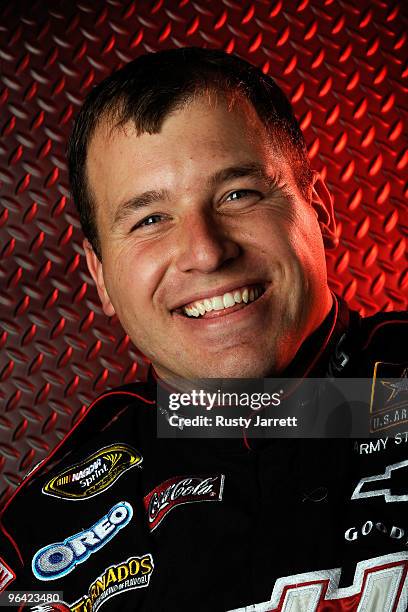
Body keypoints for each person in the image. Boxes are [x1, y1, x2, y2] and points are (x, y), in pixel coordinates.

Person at [0, 47, 407, 612]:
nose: (206, 252)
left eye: (238, 194)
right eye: (149, 220)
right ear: (101, 278)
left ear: (320, 209)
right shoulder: (38, 536)